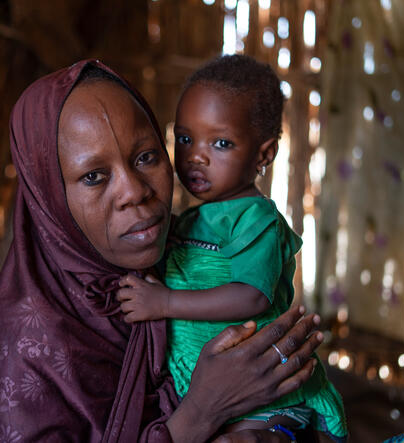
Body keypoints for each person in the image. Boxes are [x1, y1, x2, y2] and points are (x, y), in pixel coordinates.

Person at [0, 59, 324, 442]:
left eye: (145, 157)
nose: (134, 191)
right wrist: (203, 410)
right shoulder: (19, 352)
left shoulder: (178, 256)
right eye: (93, 177)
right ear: (48, 195)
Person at [116, 55, 347, 442]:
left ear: (264, 154)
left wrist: (165, 303)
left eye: (221, 143)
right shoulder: (185, 222)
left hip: (264, 399)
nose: (196, 156)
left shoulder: (257, 220)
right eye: (186, 138)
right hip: (207, 396)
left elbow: (251, 297)